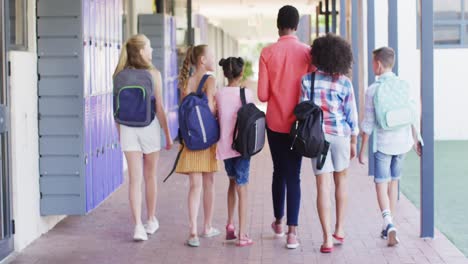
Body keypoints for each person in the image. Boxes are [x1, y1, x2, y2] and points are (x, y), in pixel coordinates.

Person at [257, 5, 312, 249]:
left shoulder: (267, 53)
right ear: (297, 25)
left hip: (275, 123)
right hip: (299, 124)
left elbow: (262, 95)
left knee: (278, 171)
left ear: (277, 25)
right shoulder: (308, 53)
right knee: (295, 175)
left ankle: (278, 222)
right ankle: (292, 232)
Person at [300, 33, 359, 253]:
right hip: (341, 135)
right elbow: (351, 114)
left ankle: (326, 239)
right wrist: (354, 141)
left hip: (318, 137)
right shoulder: (344, 82)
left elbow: (303, 109)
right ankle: (340, 229)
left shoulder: (307, 80)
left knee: (322, 186)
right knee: (341, 182)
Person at [359, 47, 423, 247]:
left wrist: (362, 150)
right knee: (394, 182)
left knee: (381, 182)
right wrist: (416, 139)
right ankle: (390, 224)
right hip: (402, 143)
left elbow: (368, 124)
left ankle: (388, 222)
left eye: (372, 63)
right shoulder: (404, 85)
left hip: (383, 145)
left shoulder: (372, 90)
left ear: (377, 64)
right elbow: (413, 113)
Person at [113, 34, 173, 241]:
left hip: (128, 128)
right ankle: (150, 220)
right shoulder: (153, 74)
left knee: (134, 180)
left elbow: (116, 109)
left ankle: (137, 226)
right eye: (149, 47)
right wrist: (168, 135)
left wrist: (120, 134)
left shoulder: (119, 75)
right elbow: (160, 108)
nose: (152, 51)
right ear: (141, 51)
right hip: (149, 127)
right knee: (150, 177)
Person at [176, 45, 219, 247]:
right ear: (202, 60)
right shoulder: (210, 80)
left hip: (191, 140)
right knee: (208, 183)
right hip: (207, 139)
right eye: (211, 56)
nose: (214, 58)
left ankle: (192, 231)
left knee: (195, 186)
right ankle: (207, 227)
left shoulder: (185, 82)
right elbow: (210, 108)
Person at [216, 57, 255, 247]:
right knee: (243, 188)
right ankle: (242, 234)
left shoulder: (219, 93)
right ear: (241, 73)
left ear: (225, 73)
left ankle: (230, 225)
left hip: (225, 147)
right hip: (242, 148)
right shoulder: (246, 93)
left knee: (232, 183)